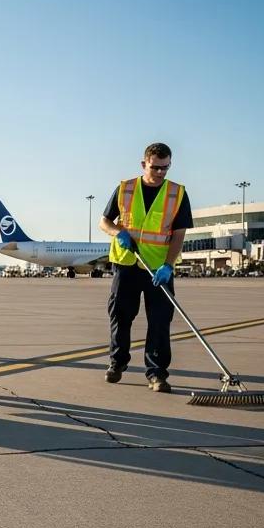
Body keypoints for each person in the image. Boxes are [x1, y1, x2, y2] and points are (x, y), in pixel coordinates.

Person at [98, 141, 192, 393]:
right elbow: (104, 222)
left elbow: (179, 235)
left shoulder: (177, 193)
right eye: (155, 167)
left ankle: (157, 374)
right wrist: (118, 232)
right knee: (120, 316)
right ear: (144, 164)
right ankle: (117, 363)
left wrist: (168, 266)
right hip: (127, 264)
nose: (160, 172)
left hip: (158, 269)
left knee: (160, 322)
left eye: (165, 168)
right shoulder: (125, 188)